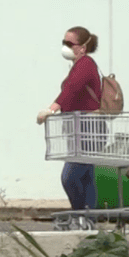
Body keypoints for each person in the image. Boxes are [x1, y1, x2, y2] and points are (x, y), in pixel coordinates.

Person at [36, 26, 103, 212]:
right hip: (81, 126)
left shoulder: (85, 64)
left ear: (82, 47)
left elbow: (72, 88)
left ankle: (80, 213)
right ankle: (88, 218)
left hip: (88, 127)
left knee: (70, 176)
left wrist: (52, 109)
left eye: (69, 43)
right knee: (86, 175)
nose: (64, 47)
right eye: (63, 42)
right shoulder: (80, 65)